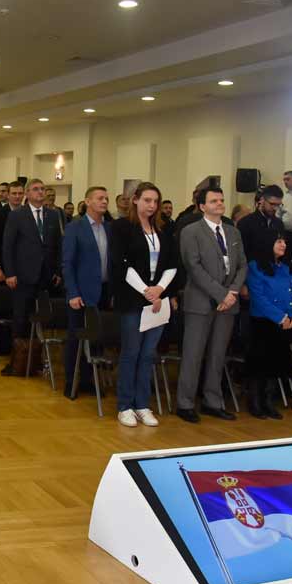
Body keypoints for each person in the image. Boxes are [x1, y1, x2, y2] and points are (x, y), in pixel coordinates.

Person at [176, 186, 247, 423]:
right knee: (193, 354)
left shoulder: (232, 232)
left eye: (221, 200)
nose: (219, 204)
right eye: (214, 201)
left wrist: (233, 291)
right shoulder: (191, 231)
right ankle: (185, 403)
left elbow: (242, 265)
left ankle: (212, 401)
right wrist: (221, 294)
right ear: (202, 206)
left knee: (218, 355)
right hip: (201, 302)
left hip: (228, 303)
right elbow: (194, 267)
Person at [109, 182, 177, 426]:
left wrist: (160, 289)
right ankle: (125, 405)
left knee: (148, 354)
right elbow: (122, 265)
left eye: (155, 201)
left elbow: (172, 263)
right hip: (133, 299)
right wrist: (147, 291)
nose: (152, 205)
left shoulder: (163, 229)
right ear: (135, 200)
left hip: (158, 301)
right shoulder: (122, 227)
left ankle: (142, 404)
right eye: (147, 200)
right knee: (131, 353)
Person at [1, 178, 62, 375]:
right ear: (27, 194)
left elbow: (57, 246)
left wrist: (58, 272)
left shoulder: (53, 215)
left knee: (41, 320)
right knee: (20, 320)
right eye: (36, 189)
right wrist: (10, 272)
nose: (40, 192)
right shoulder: (18, 215)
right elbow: (8, 246)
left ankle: (35, 362)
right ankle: (17, 363)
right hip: (23, 275)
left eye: (42, 189)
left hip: (46, 276)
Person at [63, 186, 113, 398]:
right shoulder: (76, 227)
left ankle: (88, 380)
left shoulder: (109, 228)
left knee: (96, 339)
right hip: (81, 293)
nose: (104, 202)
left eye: (106, 198)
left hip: (104, 291)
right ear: (88, 201)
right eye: (100, 198)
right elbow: (68, 263)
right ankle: (71, 382)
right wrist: (72, 292)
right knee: (76, 339)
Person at [244, 235, 292, 419]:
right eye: (278, 241)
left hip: (285, 324)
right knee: (260, 363)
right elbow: (259, 297)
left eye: (284, 241)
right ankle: (255, 401)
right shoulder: (255, 266)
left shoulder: (287, 267)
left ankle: (269, 401)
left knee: (277, 363)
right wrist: (280, 316)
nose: (283, 245)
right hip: (264, 322)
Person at [237, 185, 285, 272]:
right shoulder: (245, 223)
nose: (275, 208)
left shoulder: (279, 224)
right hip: (251, 272)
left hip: (273, 272)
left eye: (278, 205)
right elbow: (240, 255)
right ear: (262, 200)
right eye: (272, 204)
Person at [0, 180, 25, 283]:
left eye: (20, 193)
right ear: (8, 195)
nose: (17, 196)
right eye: (14, 193)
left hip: (24, 266)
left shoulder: (28, 213)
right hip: (4, 266)